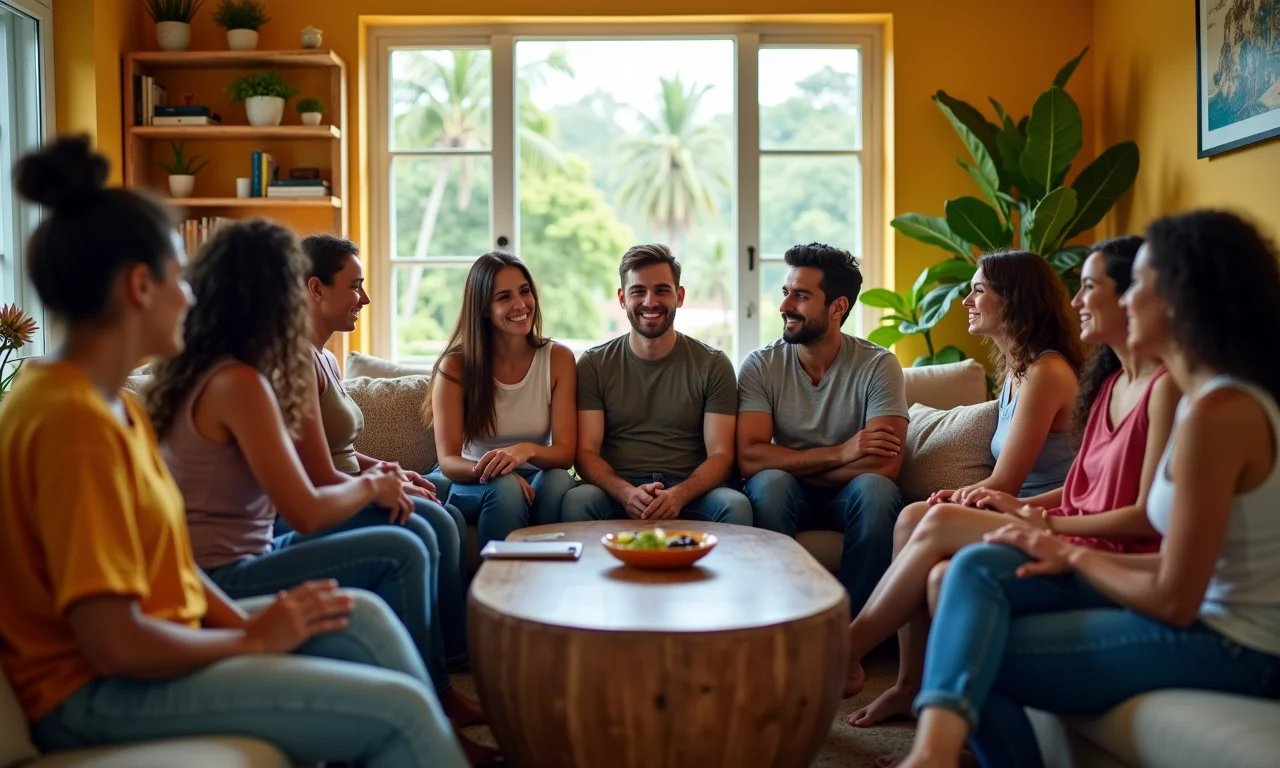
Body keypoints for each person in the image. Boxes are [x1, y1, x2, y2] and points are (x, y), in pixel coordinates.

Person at [0, 135, 469, 767]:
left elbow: (172, 572)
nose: (192, 297)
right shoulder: (71, 422)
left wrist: (250, 624)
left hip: (159, 642)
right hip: (91, 692)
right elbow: (112, 643)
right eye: (179, 278)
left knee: (358, 615)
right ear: (140, 286)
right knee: (399, 714)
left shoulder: (107, 405)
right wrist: (251, 637)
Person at [900, 210, 1280, 768]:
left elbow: (1176, 600)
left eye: (1139, 288)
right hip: (1201, 616)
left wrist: (1066, 549)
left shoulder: (1218, 413)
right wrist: (1051, 538)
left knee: (979, 661)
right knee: (974, 570)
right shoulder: (1199, 401)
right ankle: (931, 753)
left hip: (1240, 646)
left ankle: (928, 755)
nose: (1123, 303)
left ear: (1181, 298)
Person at [145, 221, 495, 763]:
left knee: (411, 536)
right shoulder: (241, 381)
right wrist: (375, 486)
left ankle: (432, 702)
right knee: (401, 546)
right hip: (225, 574)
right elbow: (307, 507)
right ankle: (432, 709)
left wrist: (379, 477)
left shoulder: (218, 369)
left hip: (248, 554)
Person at [842, 237, 1181, 735]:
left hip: (1060, 522)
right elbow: (1079, 485)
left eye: (978, 290)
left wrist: (1028, 512)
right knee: (916, 515)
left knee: (929, 519)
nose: (967, 301)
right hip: (1046, 513)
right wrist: (1000, 502)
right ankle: (907, 684)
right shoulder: (1058, 377)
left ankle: (845, 651)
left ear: (1014, 300)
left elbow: (1024, 485)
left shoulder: (1054, 373)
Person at [299, 234, 474, 691]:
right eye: (355, 285)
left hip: (350, 484)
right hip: (328, 496)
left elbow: (341, 449)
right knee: (428, 523)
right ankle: (436, 681)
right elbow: (313, 470)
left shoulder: (325, 357)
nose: (366, 297)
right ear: (316, 289)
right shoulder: (295, 362)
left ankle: (454, 661)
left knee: (447, 514)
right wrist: (380, 487)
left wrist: (387, 469)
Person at [738, 242, 909, 613]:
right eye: (785, 293)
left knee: (876, 490)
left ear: (838, 307)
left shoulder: (879, 366)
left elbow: (885, 467)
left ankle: (853, 634)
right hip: (788, 493)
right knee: (769, 484)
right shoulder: (760, 365)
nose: (784, 306)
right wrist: (841, 453)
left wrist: (790, 461)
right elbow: (751, 459)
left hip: (851, 494)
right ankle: (779, 619)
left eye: (800, 296)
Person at [562, 244, 752, 525]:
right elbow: (586, 452)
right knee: (578, 501)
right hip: (617, 491)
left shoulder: (713, 364)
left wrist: (678, 495)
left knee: (734, 506)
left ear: (680, 296)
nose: (650, 301)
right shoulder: (593, 364)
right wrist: (625, 493)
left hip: (692, 490)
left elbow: (722, 455)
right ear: (622, 298)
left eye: (662, 290)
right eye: (638, 291)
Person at [425, 251, 577, 549]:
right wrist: (499, 473)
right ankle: (501, 585)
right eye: (504, 297)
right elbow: (449, 461)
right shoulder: (455, 367)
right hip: (468, 478)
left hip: (532, 474)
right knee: (506, 488)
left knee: (558, 480)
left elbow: (565, 454)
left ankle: (544, 574)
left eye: (524, 291)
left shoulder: (558, 358)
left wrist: (524, 451)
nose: (520, 305)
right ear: (483, 309)